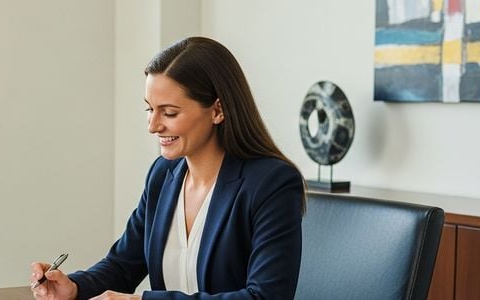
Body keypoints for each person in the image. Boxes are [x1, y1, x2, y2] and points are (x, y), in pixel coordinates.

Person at [30, 37, 305, 300]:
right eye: (150, 109)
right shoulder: (163, 174)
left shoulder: (272, 183)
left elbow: (265, 296)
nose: (153, 125)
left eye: (170, 112)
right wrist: (75, 288)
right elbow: (122, 265)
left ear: (218, 110)